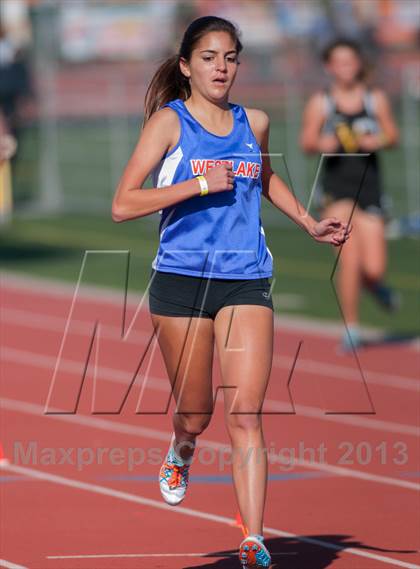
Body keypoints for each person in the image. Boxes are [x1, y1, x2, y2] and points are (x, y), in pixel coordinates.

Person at [112, 16, 350, 568]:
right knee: (196, 410)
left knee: (246, 412)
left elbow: (263, 177)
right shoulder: (168, 125)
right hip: (182, 279)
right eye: (210, 57)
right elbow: (123, 204)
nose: (222, 67)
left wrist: (308, 222)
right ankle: (182, 447)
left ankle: (254, 539)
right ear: (186, 66)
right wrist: (197, 183)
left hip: (246, 277)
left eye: (231, 57)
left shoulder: (255, 121)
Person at [300, 38, 400, 352]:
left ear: (358, 64)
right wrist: (320, 144)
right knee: (349, 259)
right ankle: (352, 328)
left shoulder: (374, 99)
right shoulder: (322, 102)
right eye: (338, 62)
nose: (345, 68)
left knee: (373, 267)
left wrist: (378, 139)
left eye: (350, 61)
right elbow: (306, 142)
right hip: (336, 190)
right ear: (329, 67)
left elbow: (393, 136)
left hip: (369, 188)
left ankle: (377, 287)